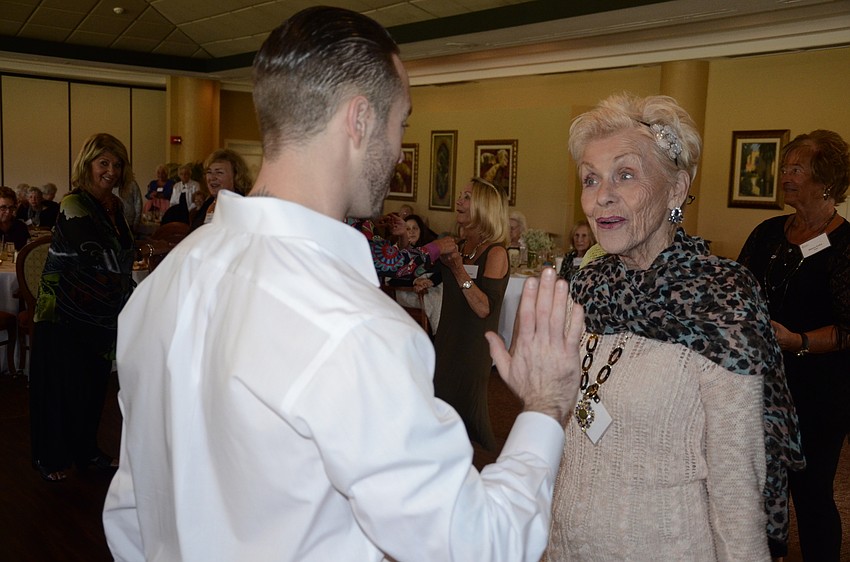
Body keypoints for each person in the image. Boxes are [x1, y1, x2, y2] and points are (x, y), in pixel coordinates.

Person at [103, 7, 586, 561]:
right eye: (401, 122)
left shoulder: (164, 284)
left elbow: (131, 511)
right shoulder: (355, 329)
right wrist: (545, 407)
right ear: (359, 120)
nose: (401, 149)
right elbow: (480, 545)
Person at [543, 93, 803, 561]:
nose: (602, 195)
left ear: (677, 189)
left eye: (625, 174)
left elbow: (736, 481)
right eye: (590, 178)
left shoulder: (720, 299)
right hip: (568, 541)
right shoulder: (586, 287)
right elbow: (567, 431)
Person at [738, 129, 850, 561]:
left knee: (811, 491)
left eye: (796, 169)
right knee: (756, 485)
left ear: (825, 180)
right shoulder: (767, 232)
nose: (785, 176)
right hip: (759, 384)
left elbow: (848, 328)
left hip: (818, 390)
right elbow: (736, 290)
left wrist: (798, 341)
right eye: (784, 168)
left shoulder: (845, 245)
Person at [29, 132, 136, 483]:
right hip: (62, 309)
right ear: (87, 165)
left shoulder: (116, 208)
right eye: (103, 163)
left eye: (117, 164)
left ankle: (86, 450)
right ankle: (49, 456)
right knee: (58, 388)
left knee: (91, 387)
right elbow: (100, 254)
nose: (111, 170)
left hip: (100, 312)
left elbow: (126, 252)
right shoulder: (73, 203)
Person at [417, 177, 510, 452]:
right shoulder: (456, 244)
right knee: (439, 403)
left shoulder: (496, 253)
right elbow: (434, 274)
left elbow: (484, 308)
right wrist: (425, 279)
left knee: (465, 412)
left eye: (467, 197)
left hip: (472, 347)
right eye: (460, 195)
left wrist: (458, 268)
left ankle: (477, 465)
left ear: (484, 207)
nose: (459, 201)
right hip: (447, 338)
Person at [189, 148, 252, 231]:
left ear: (236, 176)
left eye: (219, 172)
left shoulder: (241, 207)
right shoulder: (208, 203)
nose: (212, 178)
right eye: (209, 172)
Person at [0, 185, 30, 249]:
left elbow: (24, 253)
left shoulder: (20, 227)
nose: (8, 212)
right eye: (3, 207)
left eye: (11, 208)